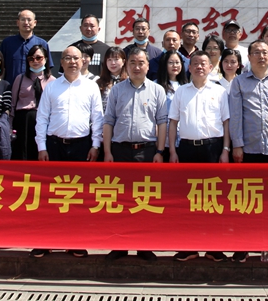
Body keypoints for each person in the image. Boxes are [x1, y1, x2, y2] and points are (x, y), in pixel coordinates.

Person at [32, 45, 103, 259]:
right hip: (54, 145)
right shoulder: (52, 87)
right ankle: (46, 241)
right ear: (61, 62)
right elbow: (42, 118)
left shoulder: (91, 87)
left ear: (83, 61)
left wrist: (95, 145)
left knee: (77, 196)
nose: (72, 62)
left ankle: (75, 241)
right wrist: (42, 147)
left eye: (76, 58)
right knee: (50, 195)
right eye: (68, 58)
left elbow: (97, 118)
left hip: (82, 146)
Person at [229, 40, 268, 263]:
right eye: (256, 52)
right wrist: (237, 145)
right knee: (246, 200)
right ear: (249, 57)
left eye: (265, 52)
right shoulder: (239, 82)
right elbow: (235, 115)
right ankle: (244, 246)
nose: (261, 56)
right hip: (249, 148)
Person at [103, 48, 167, 262]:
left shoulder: (157, 90)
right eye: (132, 63)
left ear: (148, 66)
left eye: (141, 63)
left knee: (144, 200)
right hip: (120, 150)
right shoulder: (117, 90)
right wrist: (107, 152)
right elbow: (108, 121)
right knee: (119, 200)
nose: (137, 67)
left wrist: (160, 151)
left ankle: (143, 245)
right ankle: (119, 245)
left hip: (146, 151)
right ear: (126, 65)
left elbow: (162, 122)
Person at [168, 50, 231, 262]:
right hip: (186, 149)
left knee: (213, 200)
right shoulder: (181, 92)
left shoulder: (220, 91)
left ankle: (214, 247)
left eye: (204, 63)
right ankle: (189, 247)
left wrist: (225, 150)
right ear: (189, 67)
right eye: (195, 63)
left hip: (213, 149)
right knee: (188, 200)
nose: (199, 67)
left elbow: (226, 123)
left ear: (211, 67)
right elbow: (173, 123)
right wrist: (172, 150)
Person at [9, 44, 55, 160]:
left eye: (39, 58)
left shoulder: (53, 81)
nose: (35, 61)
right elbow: (13, 103)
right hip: (23, 121)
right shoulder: (20, 78)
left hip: (43, 121)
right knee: (22, 154)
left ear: (45, 59)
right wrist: (10, 125)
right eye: (31, 58)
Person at [0, 9, 52, 85]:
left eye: (29, 20)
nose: (26, 22)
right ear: (17, 22)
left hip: (35, 88)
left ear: (35, 23)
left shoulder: (42, 43)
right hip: (10, 86)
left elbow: (48, 68)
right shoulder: (7, 43)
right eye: (23, 19)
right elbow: (0, 67)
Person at [96, 46, 127, 110]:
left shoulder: (129, 81)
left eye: (116, 59)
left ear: (123, 61)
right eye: (109, 60)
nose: (112, 63)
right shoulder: (99, 82)